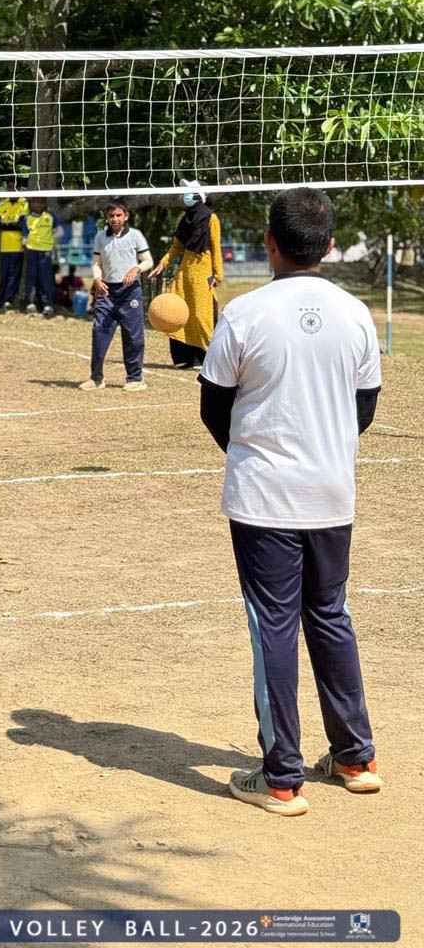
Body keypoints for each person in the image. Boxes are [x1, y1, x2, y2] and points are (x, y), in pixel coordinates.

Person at [200, 187, 383, 817]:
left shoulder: (246, 314)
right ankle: (355, 758)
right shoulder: (357, 313)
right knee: (330, 614)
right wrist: (319, 447)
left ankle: (282, 777)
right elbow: (364, 407)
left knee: (273, 625)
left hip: (265, 500)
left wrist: (260, 452)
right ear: (329, 245)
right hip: (332, 493)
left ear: (271, 244)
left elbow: (213, 406)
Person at [149, 181, 224, 367]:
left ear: (199, 196)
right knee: (178, 312)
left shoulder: (211, 218)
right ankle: (183, 358)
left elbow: (216, 247)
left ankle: (207, 357)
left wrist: (218, 274)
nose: (185, 196)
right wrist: (163, 263)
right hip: (184, 270)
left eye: (189, 193)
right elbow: (176, 246)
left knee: (201, 315)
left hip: (203, 270)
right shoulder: (184, 219)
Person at [81, 200, 152, 392]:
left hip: (130, 292)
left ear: (126, 216)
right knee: (99, 332)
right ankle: (96, 378)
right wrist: (97, 279)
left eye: (119, 215)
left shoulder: (135, 236)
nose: (115, 219)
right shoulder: (100, 237)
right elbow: (96, 263)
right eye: (111, 215)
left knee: (133, 336)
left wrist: (136, 268)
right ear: (107, 217)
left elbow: (148, 261)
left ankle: (135, 379)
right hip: (107, 291)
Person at [0, 188, 28, 312]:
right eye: (9, 187)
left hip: (18, 245)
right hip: (4, 245)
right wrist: (12, 224)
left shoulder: (24, 203)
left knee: (14, 275)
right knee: (4, 274)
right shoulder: (3, 203)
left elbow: (22, 224)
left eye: (14, 187)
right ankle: (0, 300)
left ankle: (9, 300)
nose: (11, 190)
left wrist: (5, 224)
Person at [23, 197, 56, 318]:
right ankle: (31, 304)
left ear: (44, 204)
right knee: (31, 278)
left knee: (46, 279)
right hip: (31, 251)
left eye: (40, 202)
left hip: (46, 252)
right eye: (34, 202)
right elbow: (25, 235)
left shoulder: (50, 217)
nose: (37, 204)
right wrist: (25, 247)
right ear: (31, 204)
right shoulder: (27, 219)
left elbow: (58, 231)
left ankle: (48, 305)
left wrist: (54, 246)